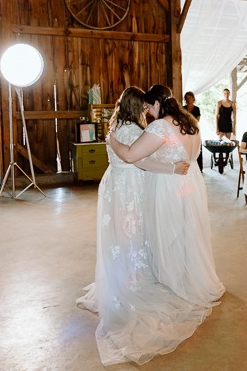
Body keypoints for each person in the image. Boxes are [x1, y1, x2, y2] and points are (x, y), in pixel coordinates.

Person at [77, 87, 201, 366]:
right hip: (129, 186)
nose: (147, 111)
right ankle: (132, 280)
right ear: (138, 107)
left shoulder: (116, 126)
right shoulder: (134, 131)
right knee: (132, 233)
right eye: (144, 108)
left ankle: (122, 275)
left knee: (121, 234)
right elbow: (140, 159)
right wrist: (171, 168)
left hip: (114, 185)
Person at [105, 85, 225, 343]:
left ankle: (172, 281)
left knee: (167, 232)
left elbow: (130, 155)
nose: (147, 113)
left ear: (157, 104)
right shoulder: (191, 123)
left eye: (149, 107)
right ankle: (190, 276)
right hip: (191, 184)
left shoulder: (160, 127)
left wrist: (112, 140)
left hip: (170, 186)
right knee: (187, 232)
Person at [184, 91, 203, 171]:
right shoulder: (183, 108)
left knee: (197, 146)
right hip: (185, 129)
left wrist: (191, 123)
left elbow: (197, 120)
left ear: (193, 98)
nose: (189, 99)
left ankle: (199, 167)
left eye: (190, 97)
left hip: (194, 129)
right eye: (187, 98)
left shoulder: (197, 108)